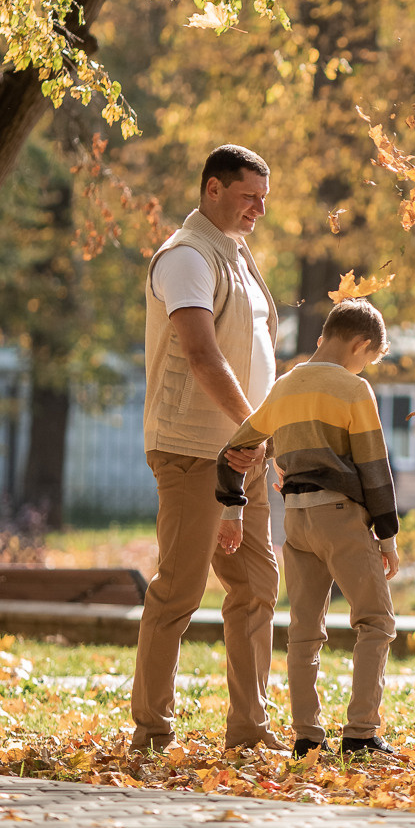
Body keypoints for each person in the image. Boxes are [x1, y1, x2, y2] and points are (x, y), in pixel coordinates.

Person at [130, 145, 282, 754]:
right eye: (249, 197)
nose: (258, 211)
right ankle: (151, 731)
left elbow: (252, 350)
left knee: (255, 588)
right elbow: (200, 353)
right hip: (195, 450)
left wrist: (263, 435)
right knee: (181, 589)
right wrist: (249, 427)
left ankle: (249, 732)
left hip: (246, 449)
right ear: (212, 188)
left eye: (263, 201)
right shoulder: (187, 258)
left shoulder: (239, 257)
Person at [216, 298, 400, 757]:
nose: (365, 369)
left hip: (294, 521)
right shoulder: (353, 390)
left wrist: (232, 502)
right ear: (360, 344)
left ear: (324, 336)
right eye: (369, 360)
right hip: (341, 517)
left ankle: (306, 736)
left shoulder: (284, 387)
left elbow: (237, 446)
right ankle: (360, 733)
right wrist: (388, 536)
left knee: (304, 630)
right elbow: (375, 468)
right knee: (376, 622)